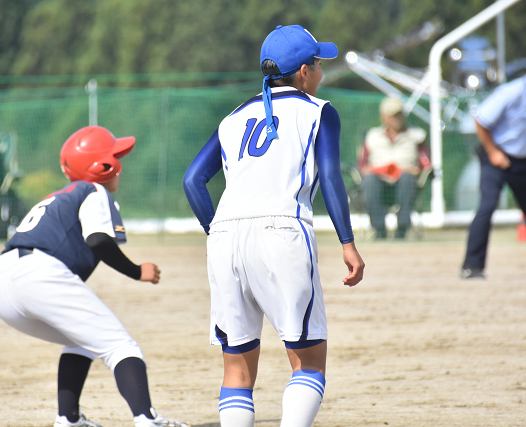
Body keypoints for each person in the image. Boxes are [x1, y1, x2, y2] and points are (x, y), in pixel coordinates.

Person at [183, 25, 365, 427]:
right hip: (282, 231)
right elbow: (332, 177)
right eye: (318, 63)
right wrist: (348, 243)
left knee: (237, 372)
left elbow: (192, 180)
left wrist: (218, 232)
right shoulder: (319, 111)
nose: (321, 70)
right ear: (304, 71)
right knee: (309, 362)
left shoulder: (233, 118)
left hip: (226, 236)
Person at [0, 126, 188, 427]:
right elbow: (98, 240)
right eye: (115, 157)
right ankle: (148, 420)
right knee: (121, 346)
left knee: (81, 340)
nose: (120, 165)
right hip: (38, 273)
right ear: (103, 167)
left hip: (2, 283)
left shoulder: (60, 195)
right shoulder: (94, 191)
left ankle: (68, 420)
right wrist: (137, 272)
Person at [461, 75, 526, 279]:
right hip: (496, 155)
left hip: (521, 160)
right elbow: (481, 120)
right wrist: (493, 152)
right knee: (487, 207)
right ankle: (472, 266)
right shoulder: (513, 92)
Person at [358, 96, 431, 239]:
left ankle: (402, 228)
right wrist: (370, 170)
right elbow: (362, 164)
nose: (397, 118)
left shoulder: (417, 135)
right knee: (370, 180)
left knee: (406, 179)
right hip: (379, 182)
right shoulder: (372, 136)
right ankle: (379, 229)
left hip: (406, 183)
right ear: (384, 117)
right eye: (393, 115)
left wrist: (417, 170)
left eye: (399, 114)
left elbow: (426, 164)